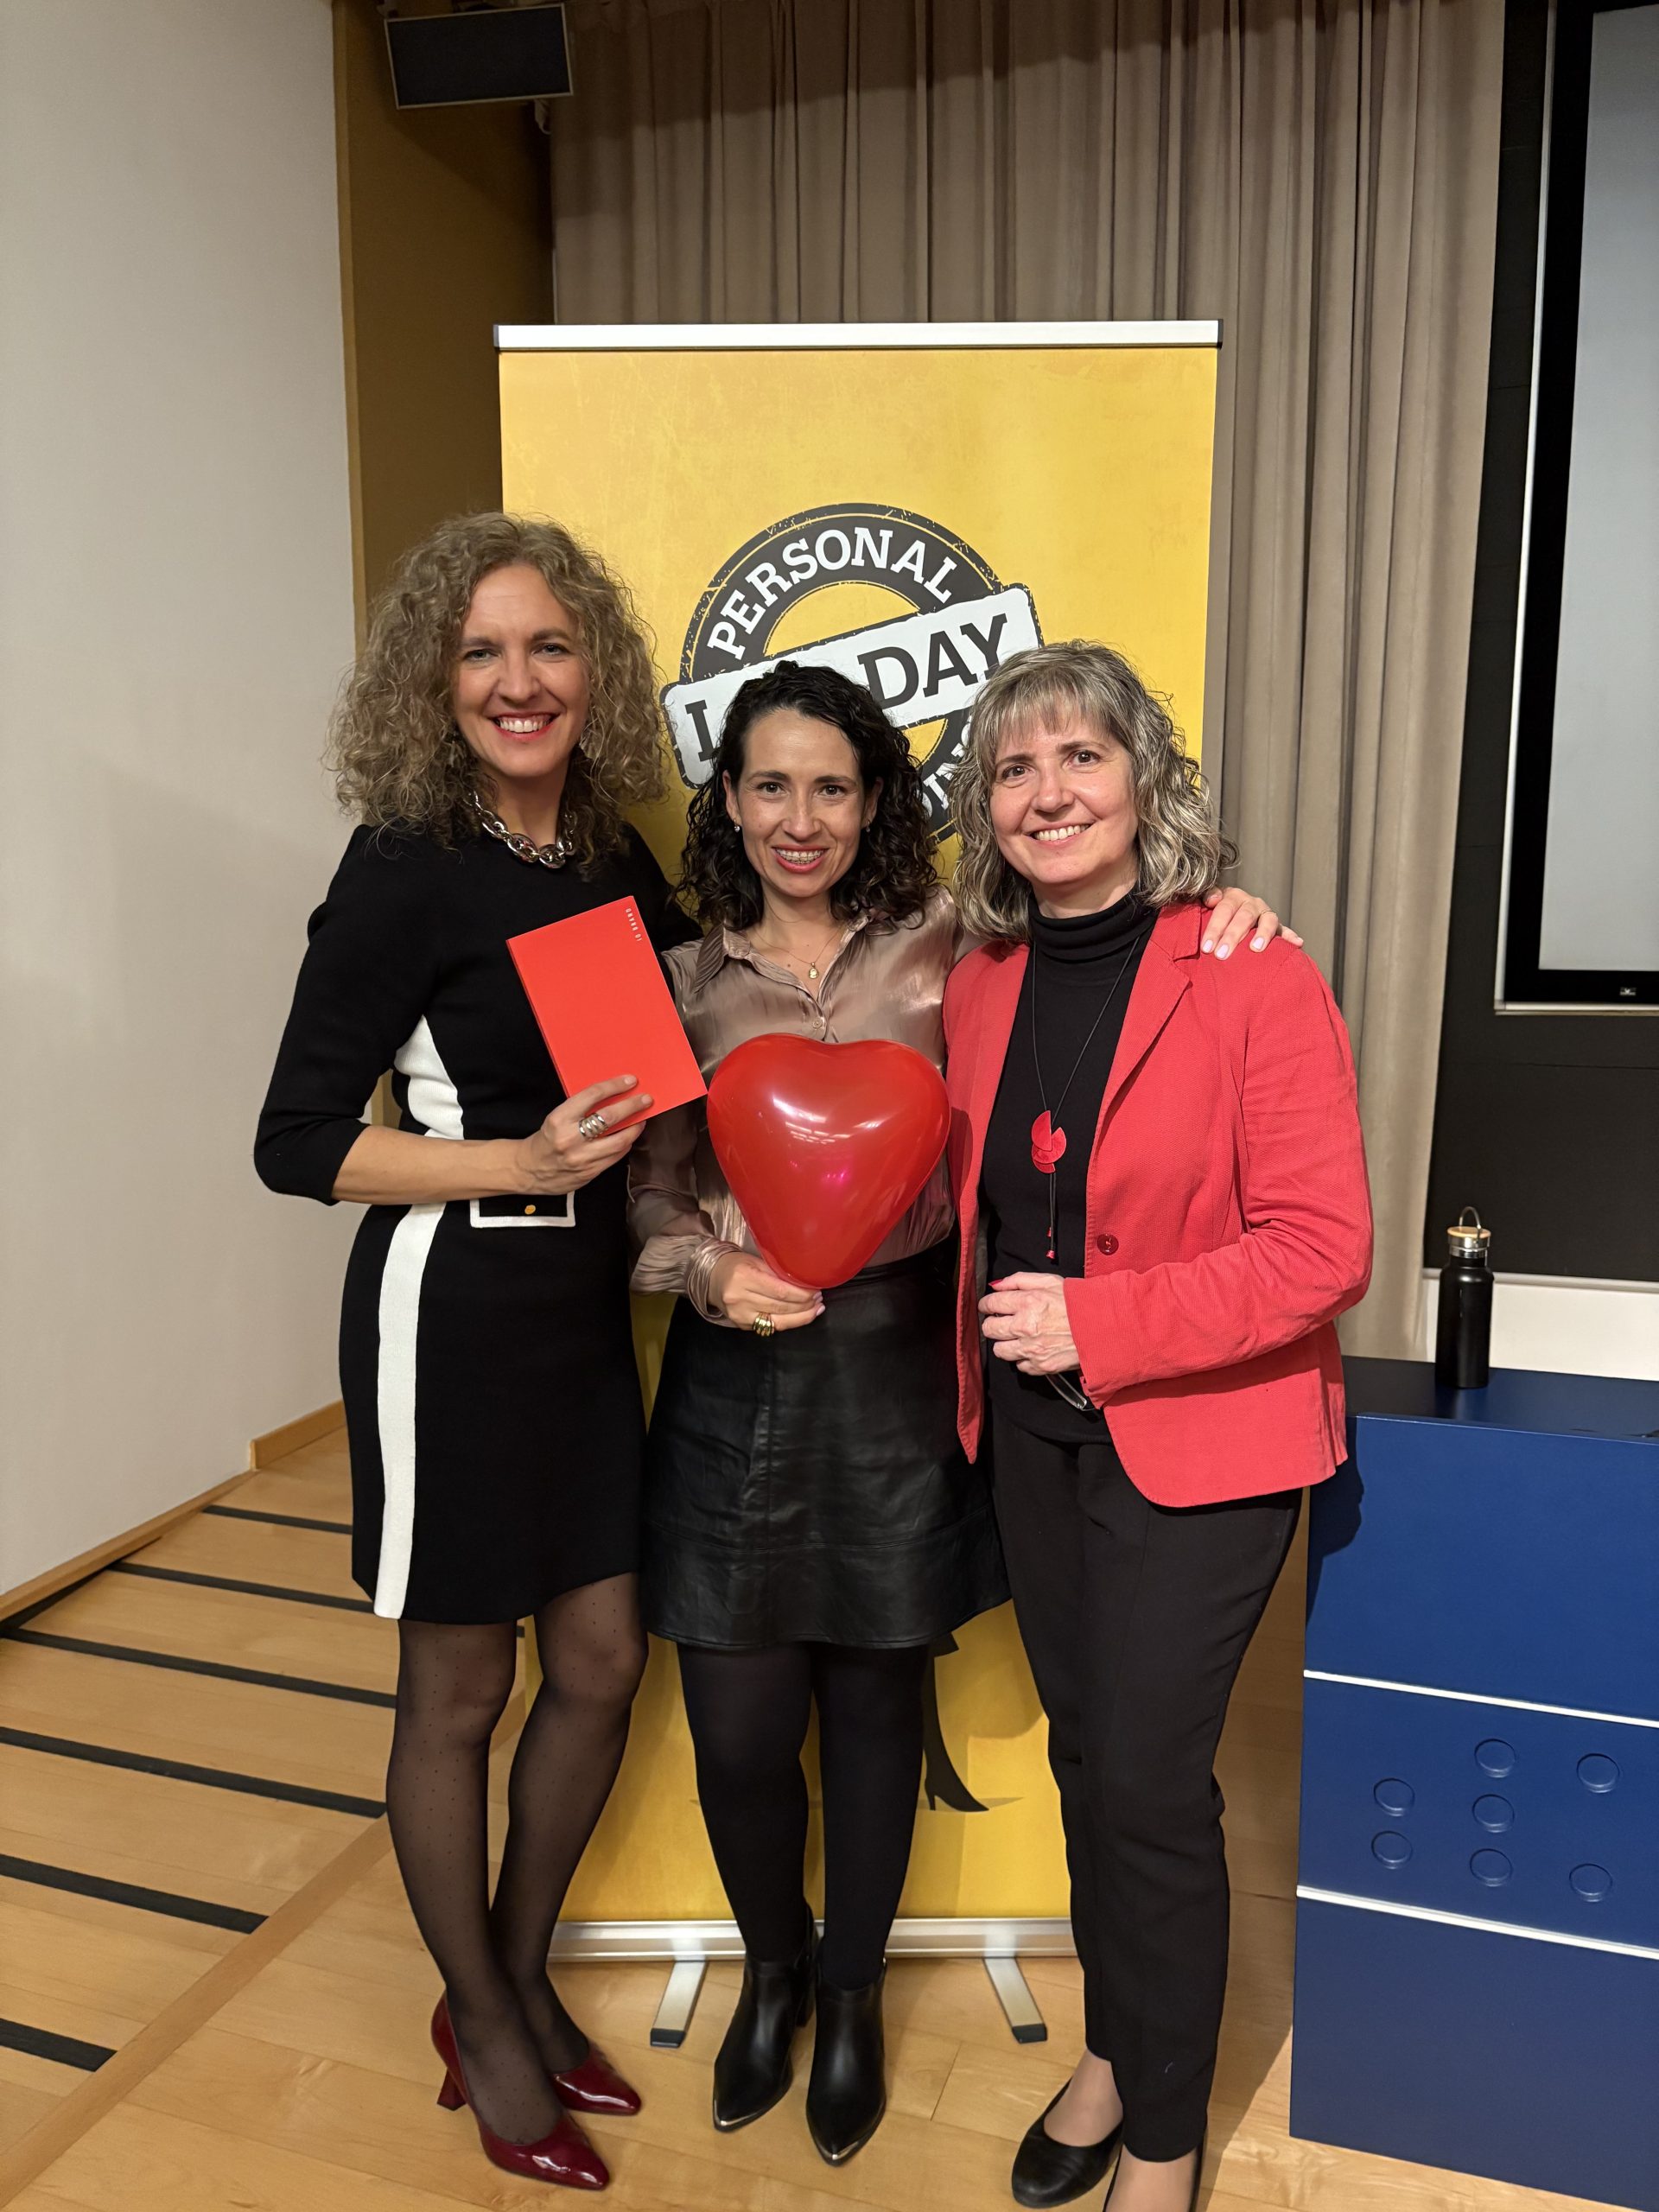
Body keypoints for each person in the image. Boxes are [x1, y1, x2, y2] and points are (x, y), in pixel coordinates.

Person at [627, 659, 1291, 2169]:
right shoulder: (678, 982)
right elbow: (649, 1187)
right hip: (738, 1372)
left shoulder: (956, 950)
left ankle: (851, 1996)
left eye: (834, 787)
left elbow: (1121, 966)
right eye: (771, 785)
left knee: (877, 1708)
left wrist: (1232, 912)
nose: (802, 818)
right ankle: (774, 1972)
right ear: (730, 799)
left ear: (879, 802)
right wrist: (703, 1267)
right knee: (740, 1727)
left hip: (901, 1361)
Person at [255, 513, 696, 2191]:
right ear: (435, 684)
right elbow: (298, 1140)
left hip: (578, 1310)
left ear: (595, 669)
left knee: (601, 1660)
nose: (520, 680)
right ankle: (496, 2026)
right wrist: (515, 1157)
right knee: (460, 1689)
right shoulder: (403, 863)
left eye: (549, 645)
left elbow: (676, 1046)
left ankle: (499, 1978)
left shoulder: (607, 854)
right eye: (482, 651)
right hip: (443, 1308)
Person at [942, 642, 1373, 2212]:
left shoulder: (1252, 969)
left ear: (1144, 779)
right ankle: (1117, 2050)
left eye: (1083, 757)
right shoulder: (979, 981)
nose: (1049, 792)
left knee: (1147, 1784)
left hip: (1206, 1437)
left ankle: (1165, 2142)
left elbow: (1324, 1249)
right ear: (987, 808)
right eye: (1015, 768)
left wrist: (1102, 1324)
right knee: (1087, 1763)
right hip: (1033, 1441)